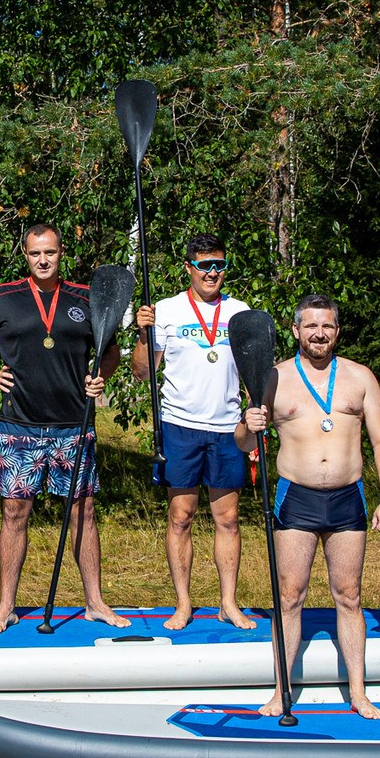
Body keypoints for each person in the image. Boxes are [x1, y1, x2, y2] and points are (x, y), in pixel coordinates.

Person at [0, 225, 126, 631]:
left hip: (74, 425)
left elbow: (112, 352)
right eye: (35, 254)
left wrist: (100, 376)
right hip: (20, 425)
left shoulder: (86, 299)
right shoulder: (1, 297)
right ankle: (5, 606)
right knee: (14, 514)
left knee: (83, 514)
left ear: (61, 252)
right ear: (25, 255)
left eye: (50, 252)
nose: (43, 260)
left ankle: (95, 603)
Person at [239, 295, 380, 717]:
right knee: (290, 597)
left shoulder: (360, 377)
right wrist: (247, 426)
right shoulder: (272, 377)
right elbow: (241, 440)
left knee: (349, 595)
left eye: (327, 326)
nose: (319, 333)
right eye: (310, 326)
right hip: (297, 496)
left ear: (337, 331)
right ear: (296, 331)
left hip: (349, 497)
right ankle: (282, 690)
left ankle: (359, 692)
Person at [130, 235, 258, 631]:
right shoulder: (165, 310)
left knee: (229, 518)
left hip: (227, 427)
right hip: (180, 425)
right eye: (204, 265)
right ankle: (183, 603)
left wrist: (255, 414)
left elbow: (253, 371)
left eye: (219, 265)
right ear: (188, 267)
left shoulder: (241, 312)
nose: (212, 273)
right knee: (181, 516)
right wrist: (143, 334)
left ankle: (227, 603)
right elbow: (142, 372)